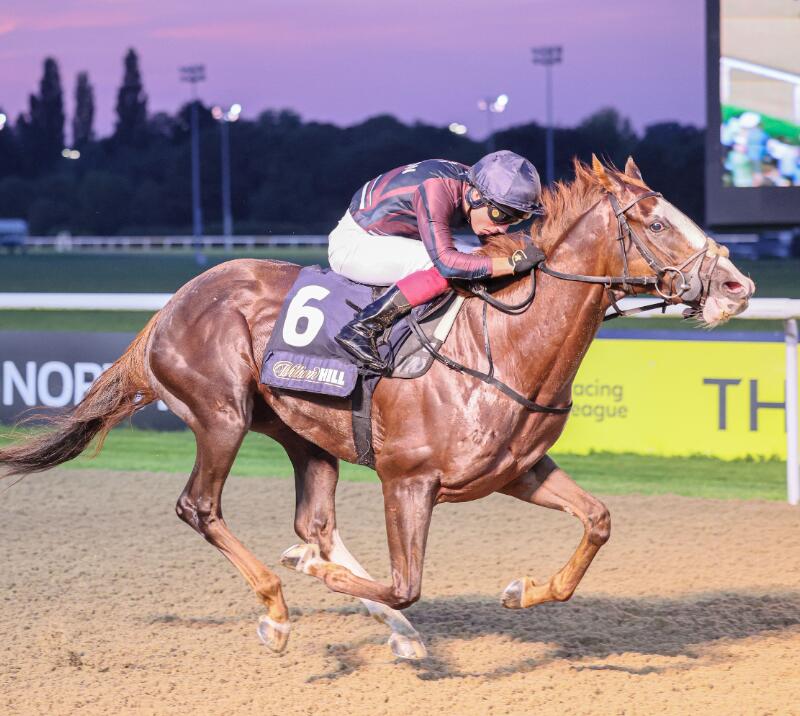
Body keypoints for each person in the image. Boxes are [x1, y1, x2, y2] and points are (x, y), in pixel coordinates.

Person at [328, 150, 543, 372]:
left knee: (474, 259)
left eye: (515, 219)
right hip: (356, 244)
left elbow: (491, 247)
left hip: (393, 236)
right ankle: (362, 328)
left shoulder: (476, 185)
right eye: (501, 216)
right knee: (446, 269)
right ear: (477, 196)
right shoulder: (437, 189)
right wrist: (510, 264)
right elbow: (447, 263)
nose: (502, 228)